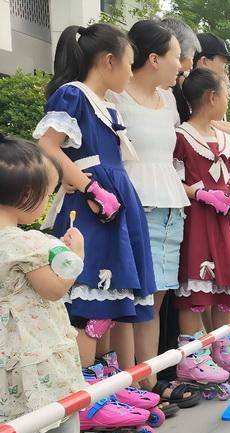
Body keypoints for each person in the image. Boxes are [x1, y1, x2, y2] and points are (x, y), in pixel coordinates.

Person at [0, 136, 129, 433]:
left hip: (7, 353)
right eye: (47, 195)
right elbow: (54, 287)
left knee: (7, 424)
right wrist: (76, 256)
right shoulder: (22, 242)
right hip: (34, 351)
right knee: (61, 414)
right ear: (27, 195)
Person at [34, 23, 157, 377]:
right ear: (108, 61)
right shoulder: (73, 95)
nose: (131, 72)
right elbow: (47, 144)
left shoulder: (106, 104)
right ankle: (84, 391)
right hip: (92, 207)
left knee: (110, 299)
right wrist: (88, 187)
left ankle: (102, 382)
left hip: (114, 201)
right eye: (130, 63)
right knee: (91, 300)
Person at [104, 20, 190, 401]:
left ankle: (150, 379)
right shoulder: (115, 97)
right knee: (131, 297)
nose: (181, 66)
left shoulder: (170, 101)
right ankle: (126, 382)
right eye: (176, 57)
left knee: (157, 297)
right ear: (153, 59)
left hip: (172, 204)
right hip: (135, 203)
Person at [172, 68, 230, 395]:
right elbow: (175, 178)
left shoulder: (224, 138)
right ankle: (193, 356)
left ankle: (224, 348)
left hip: (227, 218)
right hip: (199, 218)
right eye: (226, 93)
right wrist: (202, 193)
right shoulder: (181, 136)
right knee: (197, 284)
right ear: (211, 97)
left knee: (225, 284)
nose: (228, 98)